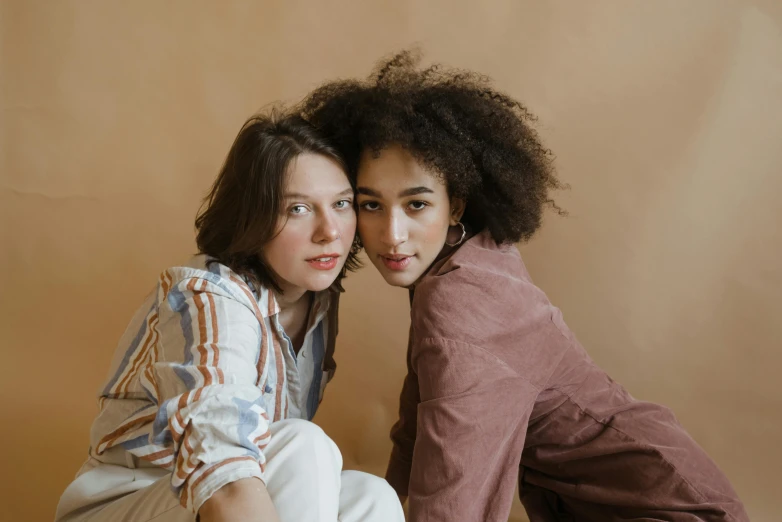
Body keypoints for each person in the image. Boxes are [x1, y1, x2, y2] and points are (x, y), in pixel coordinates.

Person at [301, 51, 750, 522]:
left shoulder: (463, 306)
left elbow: (453, 499)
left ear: (456, 204)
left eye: (416, 205)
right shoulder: (469, 255)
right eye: (371, 205)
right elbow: (419, 427)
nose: (392, 235)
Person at [55, 109, 404, 522]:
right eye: (297, 209)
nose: (330, 230)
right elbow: (227, 477)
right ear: (252, 217)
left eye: (342, 203)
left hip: (210, 502)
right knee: (301, 445)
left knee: (371, 495)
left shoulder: (317, 297)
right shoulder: (207, 296)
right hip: (131, 500)